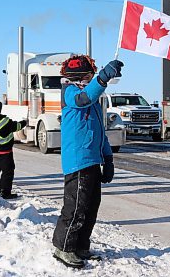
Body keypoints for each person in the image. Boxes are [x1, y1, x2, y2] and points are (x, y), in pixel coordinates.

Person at [52, 55, 124, 268]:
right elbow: (83, 98)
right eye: (91, 74)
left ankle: (81, 245)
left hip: (93, 160)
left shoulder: (92, 101)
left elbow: (99, 132)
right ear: (80, 76)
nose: (92, 78)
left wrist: (108, 158)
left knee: (91, 207)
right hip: (78, 161)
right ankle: (63, 247)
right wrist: (103, 79)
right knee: (75, 208)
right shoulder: (70, 92)